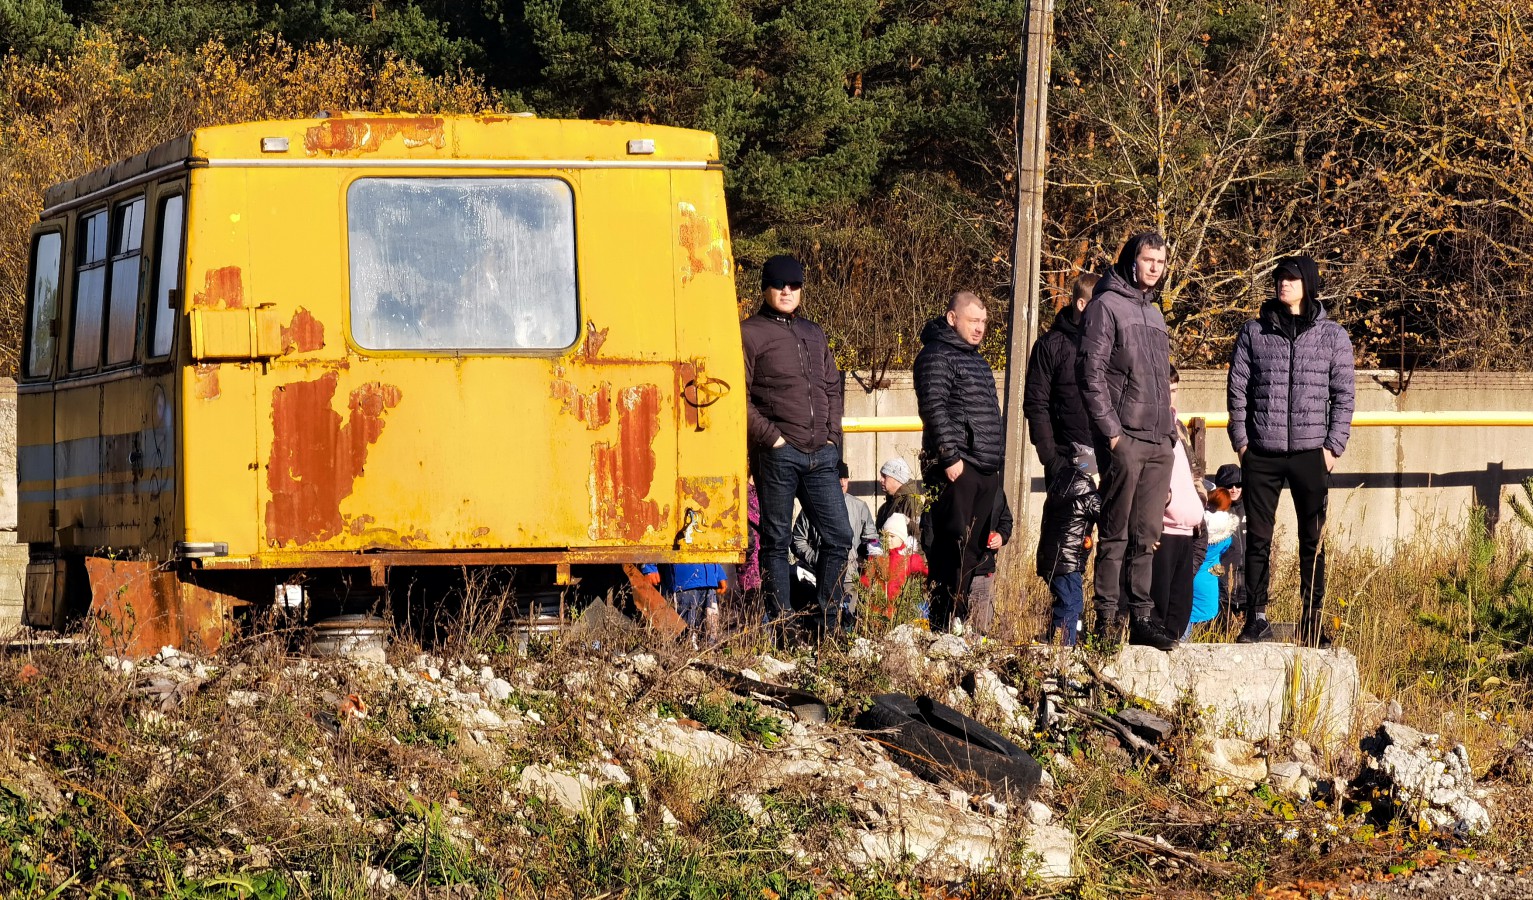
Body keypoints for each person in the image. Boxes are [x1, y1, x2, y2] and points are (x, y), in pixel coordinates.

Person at [1227, 255, 1355, 647]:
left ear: (1308, 285)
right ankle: (1256, 617)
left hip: (1310, 453)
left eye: (1292, 278)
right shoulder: (1254, 332)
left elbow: (1344, 395)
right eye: (1279, 278)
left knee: (1312, 540)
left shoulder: (1333, 336)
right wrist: (1242, 443)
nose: (1283, 284)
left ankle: (1312, 621)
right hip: (1261, 452)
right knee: (1258, 538)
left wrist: (1332, 447)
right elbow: (1238, 389)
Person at [741, 254, 855, 637]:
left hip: (820, 452)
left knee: (839, 536)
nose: (787, 291)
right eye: (780, 284)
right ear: (765, 287)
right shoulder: (749, 333)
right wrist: (770, 437)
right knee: (775, 540)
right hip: (777, 453)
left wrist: (832, 440)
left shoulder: (814, 332)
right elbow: (738, 397)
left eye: (794, 284)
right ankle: (782, 626)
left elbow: (831, 388)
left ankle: (827, 624)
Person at [1077, 232, 1178, 651]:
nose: (1154, 267)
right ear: (1131, 261)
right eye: (1148, 259)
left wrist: (1170, 435)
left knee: (1147, 533)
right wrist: (1113, 435)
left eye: (1160, 261)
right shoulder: (1106, 306)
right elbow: (1090, 373)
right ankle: (1105, 620)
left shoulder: (1154, 313)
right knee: (1116, 531)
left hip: (1158, 440)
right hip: (1126, 439)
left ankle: (1140, 616)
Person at [914, 291, 1005, 633]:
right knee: (952, 545)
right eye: (973, 321)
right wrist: (950, 457)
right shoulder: (936, 356)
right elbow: (933, 407)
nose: (980, 328)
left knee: (974, 551)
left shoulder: (977, 360)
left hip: (984, 466)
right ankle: (943, 619)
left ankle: (961, 619)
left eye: (983, 322)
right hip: (958, 466)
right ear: (952, 319)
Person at [1149, 367, 1207, 646]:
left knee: (1180, 612)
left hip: (1189, 531)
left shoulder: (1179, 428)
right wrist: (1154, 519)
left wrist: (1199, 504)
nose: (1172, 398)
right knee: (1158, 611)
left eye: (1175, 391)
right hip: (1164, 531)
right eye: (1167, 392)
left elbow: (1195, 473)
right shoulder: (1149, 426)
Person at [792, 461, 880, 625]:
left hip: (850, 579)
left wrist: (873, 565)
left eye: (845, 478)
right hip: (819, 578)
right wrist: (818, 559)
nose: (842, 482)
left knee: (848, 622)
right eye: (838, 478)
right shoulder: (812, 506)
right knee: (823, 621)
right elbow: (797, 539)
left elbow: (872, 538)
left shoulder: (859, 507)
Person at [1188, 485, 1239, 640]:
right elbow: (1226, 551)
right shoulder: (1226, 528)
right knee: (1208, 614)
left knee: (1187, 612)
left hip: (1192, 571)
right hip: (1210, 576)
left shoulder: (1198, 521)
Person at [966, 491, 1013, 637]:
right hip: (958, 566)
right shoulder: (960, 485)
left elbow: (1006, 520)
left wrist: (1001, 536)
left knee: (980, 625)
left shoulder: (997, 492)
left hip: (984, 566)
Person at [640, 563, 728, 637]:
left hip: (709, 581)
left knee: (710, 633)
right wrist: (649, 567)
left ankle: (708, 656)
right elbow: (652, 542)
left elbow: (710, 544)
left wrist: (718, 572)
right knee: (685, 635)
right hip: (683, 582)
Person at [1211, 463, 1246, 627]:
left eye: (1238, 484)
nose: (1234, 489)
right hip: (1223, 583)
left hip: (1247, 583)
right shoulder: (1214, 513)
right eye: (1229, 485)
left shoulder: (1252, 508)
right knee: (1221, 630)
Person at [875, 457, 923, 554]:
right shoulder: (885, 507)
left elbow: (916, 538)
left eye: (885, 476)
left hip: (905, 564)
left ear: (897, 478)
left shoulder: (911, 501)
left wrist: (914, 565)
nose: (881, 480)